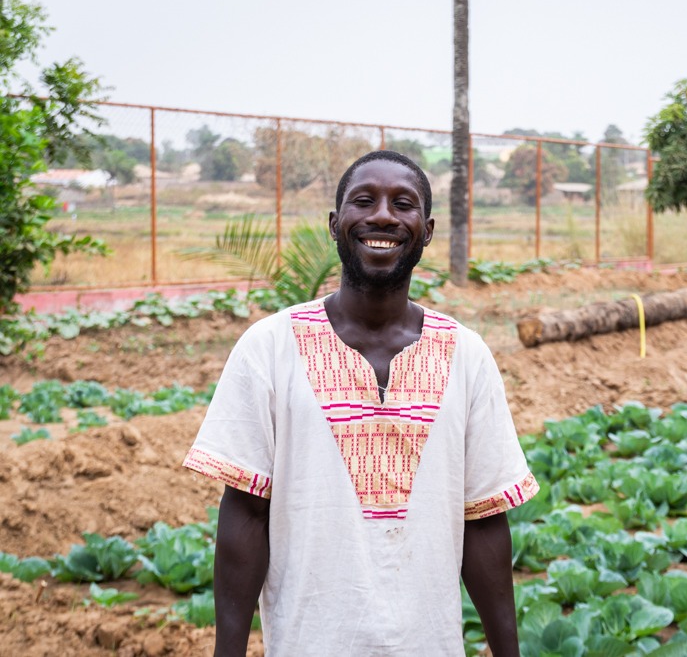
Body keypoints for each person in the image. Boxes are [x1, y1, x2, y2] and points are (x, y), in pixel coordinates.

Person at [182, 150, 538, 656]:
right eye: (364, 200)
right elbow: (245, 513)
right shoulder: (269, 346)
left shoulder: (466, 354)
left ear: (428, 230)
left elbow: (482, 521)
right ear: (335, 224)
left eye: (403, 204)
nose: (383, 216)